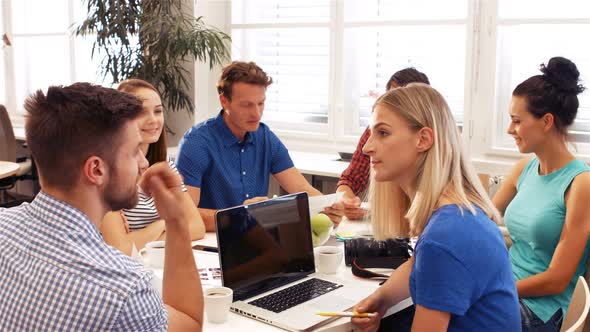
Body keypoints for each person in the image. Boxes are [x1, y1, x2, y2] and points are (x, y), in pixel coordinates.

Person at [0, 83, 203, 330]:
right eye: (133, 152)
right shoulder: (123, 289)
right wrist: (175, 221)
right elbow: (189, 323)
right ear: (96, 170)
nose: (143, 162)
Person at [351, 84, 520, 331]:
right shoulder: (459, 212)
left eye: (383, 133)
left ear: (423, 139)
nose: (367, 147)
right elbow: (418, 264)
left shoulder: (445, 236)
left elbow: (433, 255)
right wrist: (381, 299)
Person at [176, 61, 343, 231]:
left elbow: (301, 188)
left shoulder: (264, 136)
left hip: (259, 238)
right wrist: (242, 216)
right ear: (224, 101)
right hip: (212, 242)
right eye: (247, 105)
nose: (256, 113)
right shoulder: (196, 143)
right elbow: (185, 215)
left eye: (261, 103)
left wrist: (327, 208)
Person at [492, 56, 590, 332]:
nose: (510, 130)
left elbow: (557, 280)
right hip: (507, 291)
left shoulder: (580, 183)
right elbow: (481, 216)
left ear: (546, 121)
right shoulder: (524, 169)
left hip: (540, 310)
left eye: (516, 121)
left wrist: (494, 289)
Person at [100, 79, 205, 255]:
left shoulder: (165, 165)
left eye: (157, 111)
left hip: (158, 260)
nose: (153, 120)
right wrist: (167, 223)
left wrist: (144, 236)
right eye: (141, 113)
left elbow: (196, 227)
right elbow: (122, 248)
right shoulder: (107, 174)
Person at [336, 68, 430, 220]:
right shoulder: (374, 131)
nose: (367, 148)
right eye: (391, 97)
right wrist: (347, 202)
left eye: (384, 133)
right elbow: (349, 180)